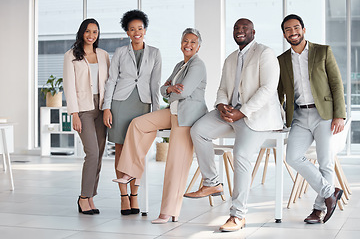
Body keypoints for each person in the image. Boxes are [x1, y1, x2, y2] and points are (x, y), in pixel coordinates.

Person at [183, 18, 283, 232]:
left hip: (256, 117)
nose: (240, 31)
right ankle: (212, 183)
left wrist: (242, 112)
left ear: (253, 32)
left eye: (244, 28)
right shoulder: (230, 59)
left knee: (241, 154)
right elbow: (222, 88)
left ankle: (238, 215)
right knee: (199, 131)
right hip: (230, 113)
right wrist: (220, 105)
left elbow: (268, 88)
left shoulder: (265, 53)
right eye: (236, 28)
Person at [113, 28, 207, 223]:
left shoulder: (198, 65)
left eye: (192, 42)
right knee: (139, 124)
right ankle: (131, 172)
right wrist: (169, 89)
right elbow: (163, 89)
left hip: (187, 116)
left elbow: (183, 92)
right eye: (185, 40)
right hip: (172, 111)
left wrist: (170, 90)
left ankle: (168, 212)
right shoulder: (180, 65)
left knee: (175, 164)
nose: (187, 44)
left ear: (198, 47)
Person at [278, 14, 346, 224]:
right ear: (284, 34)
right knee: (292, 157)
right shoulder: (282, 60)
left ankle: (318, 210)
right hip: (299, 115)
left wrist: (339, 114)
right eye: (288, 29)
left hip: (324, 114)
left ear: (304, 29)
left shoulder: (322, 51)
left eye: (296, 28)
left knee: (325, 162)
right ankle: (330, 192)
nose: (293, 32)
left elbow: (336, 83)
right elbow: (279, 93)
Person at [102, 10, 161, 216]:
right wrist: (106, 107)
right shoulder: (119, 52)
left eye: (140, 28)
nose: (137, 32)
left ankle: (135, 195)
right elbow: (111, 80)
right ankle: (123, 197)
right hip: (121, 102)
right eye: (132, 29)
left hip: (143, 104)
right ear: (127, 32)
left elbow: (155, 85)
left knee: (138, 152)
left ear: (145, 30)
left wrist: (156, 112)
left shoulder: (155, 53)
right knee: (120, 150)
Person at [63, 18, 110, 215]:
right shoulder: (71, 55)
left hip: (101, 107)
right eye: (88, 31)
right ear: (82, 32)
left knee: (99, 154)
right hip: (83, 109)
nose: (92, 35)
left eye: (95, 32)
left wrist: (108, 107)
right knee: (91, 153)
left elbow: (110, 82)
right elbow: (69, 86)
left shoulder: (104, 54)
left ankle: (91, 196)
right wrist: (74, 113)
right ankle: (83, 197)